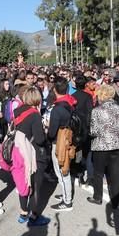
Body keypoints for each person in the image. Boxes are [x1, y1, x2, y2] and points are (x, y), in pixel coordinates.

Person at [10, 87, 52, 226]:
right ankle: (34, 216)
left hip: (19, 152)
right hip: (33, 155)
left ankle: (23, 213)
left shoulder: (17, 111)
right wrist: (45, 130)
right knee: (35, 185)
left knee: (23, 182)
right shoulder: (34, 115)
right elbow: (39, 139)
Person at [88, 84, 119, 207]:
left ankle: (97, 197)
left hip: (100, 145)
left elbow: (93, 131)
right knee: (115, 173)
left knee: (98, 172)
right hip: (117, 145)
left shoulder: (96, 111)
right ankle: (116, 200)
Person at [47, 78, 77, 212]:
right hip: (69, 139)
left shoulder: (57, 109)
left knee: (62, 171)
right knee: (65, 170)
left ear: (54, 90)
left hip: (59, 142)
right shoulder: (71, 102)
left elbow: (52, 132)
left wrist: (47, 131)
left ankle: (67, 201)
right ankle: (66, 194)